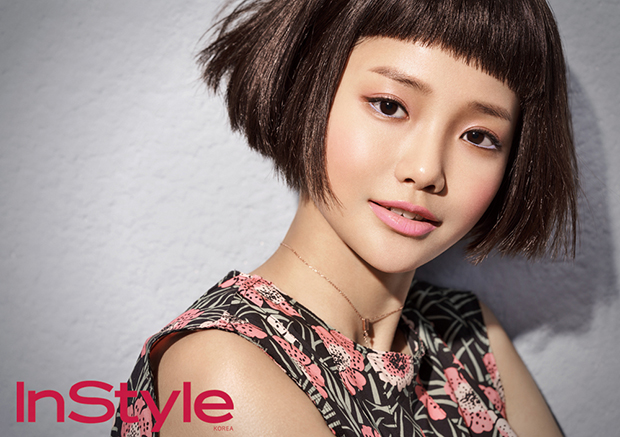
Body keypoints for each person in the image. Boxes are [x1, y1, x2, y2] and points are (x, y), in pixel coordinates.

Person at [111, 0, 578, 436]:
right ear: (306, 90)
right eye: (389, 106)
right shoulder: (224, 368)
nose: (425, 171)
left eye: (479, 136)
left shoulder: (468, 333)